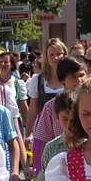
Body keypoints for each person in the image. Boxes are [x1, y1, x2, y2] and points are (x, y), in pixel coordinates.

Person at [25, 38, 70, 168]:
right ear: (46, 56)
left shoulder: (70, 77)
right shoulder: (38, 79)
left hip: (67, 126)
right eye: (51, 54)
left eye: (59, 54)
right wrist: (27, 135)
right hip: (44, 126)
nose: (55, 57)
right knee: (44, 165)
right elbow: (32, 109)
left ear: (65, 54)